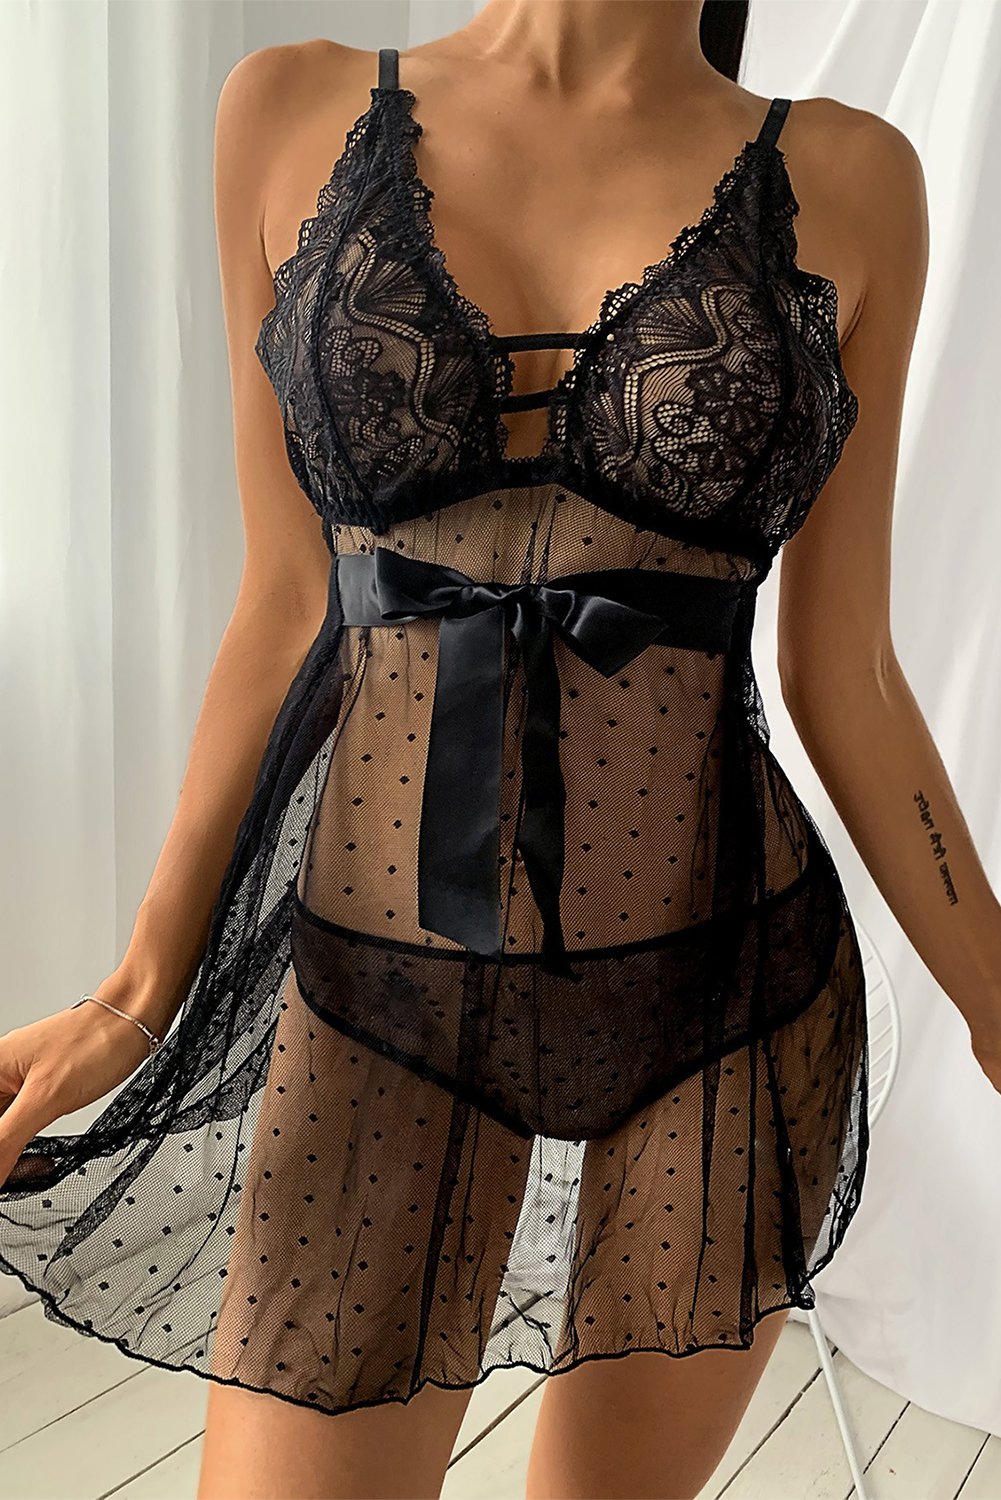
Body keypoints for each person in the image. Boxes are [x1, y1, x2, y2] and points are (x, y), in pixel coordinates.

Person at [1, 5, 996, 1499]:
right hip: (379, 980)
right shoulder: (285, 109)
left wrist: (996, 1002)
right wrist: (139, 991)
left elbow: (844, 672)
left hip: (729, 981)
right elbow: (284, 606)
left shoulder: (855, 176)